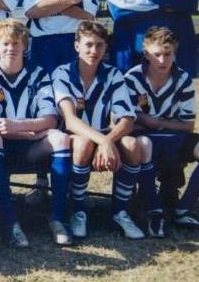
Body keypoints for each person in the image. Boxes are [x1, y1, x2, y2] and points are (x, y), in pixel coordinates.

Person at [20, 0, 100, 200]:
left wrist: (48, 3)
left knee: (76, 108)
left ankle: (70, 184)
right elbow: (29, 8)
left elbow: (89, 11)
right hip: (41, 45)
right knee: (43, 107)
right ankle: (42, 180)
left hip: (74, 44)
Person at [0, 19, 72, 246]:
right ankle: (10, 223)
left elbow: (50, 119)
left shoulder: (39, 74)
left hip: (31, 147)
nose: (11, 48)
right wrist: (29, 131)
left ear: (25, 46)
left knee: (60, 138)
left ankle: (58, 218)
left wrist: (18, 127)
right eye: (6, 43)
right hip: (1, 146)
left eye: (17, 43)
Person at [52, 21, 145, 239]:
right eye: (88, 45)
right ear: (76, 46)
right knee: (84, 143)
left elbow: (127, 119)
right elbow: (70, 121)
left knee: (132, 144)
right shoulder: (62, 73)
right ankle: (78, 210)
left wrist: (108, 140)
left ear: (106, 48)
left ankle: (120, 211)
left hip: (104, 135)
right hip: (73, 137)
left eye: (99, 45)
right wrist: (104, 142)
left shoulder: (113, 74)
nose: (94, 51)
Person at [124, 27, 199, 235]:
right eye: (156, 54)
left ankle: (183, 209)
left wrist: (154, 121)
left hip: (174, 138)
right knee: (143, 144)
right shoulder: (132, 78)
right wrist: (143, 120)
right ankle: (152, 208)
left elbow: (188, 125)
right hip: (144, 139)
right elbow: (126, 120)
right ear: (146, 53)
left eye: (168, 54)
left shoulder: (183, 79)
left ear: (175, 53)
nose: (162, 60)